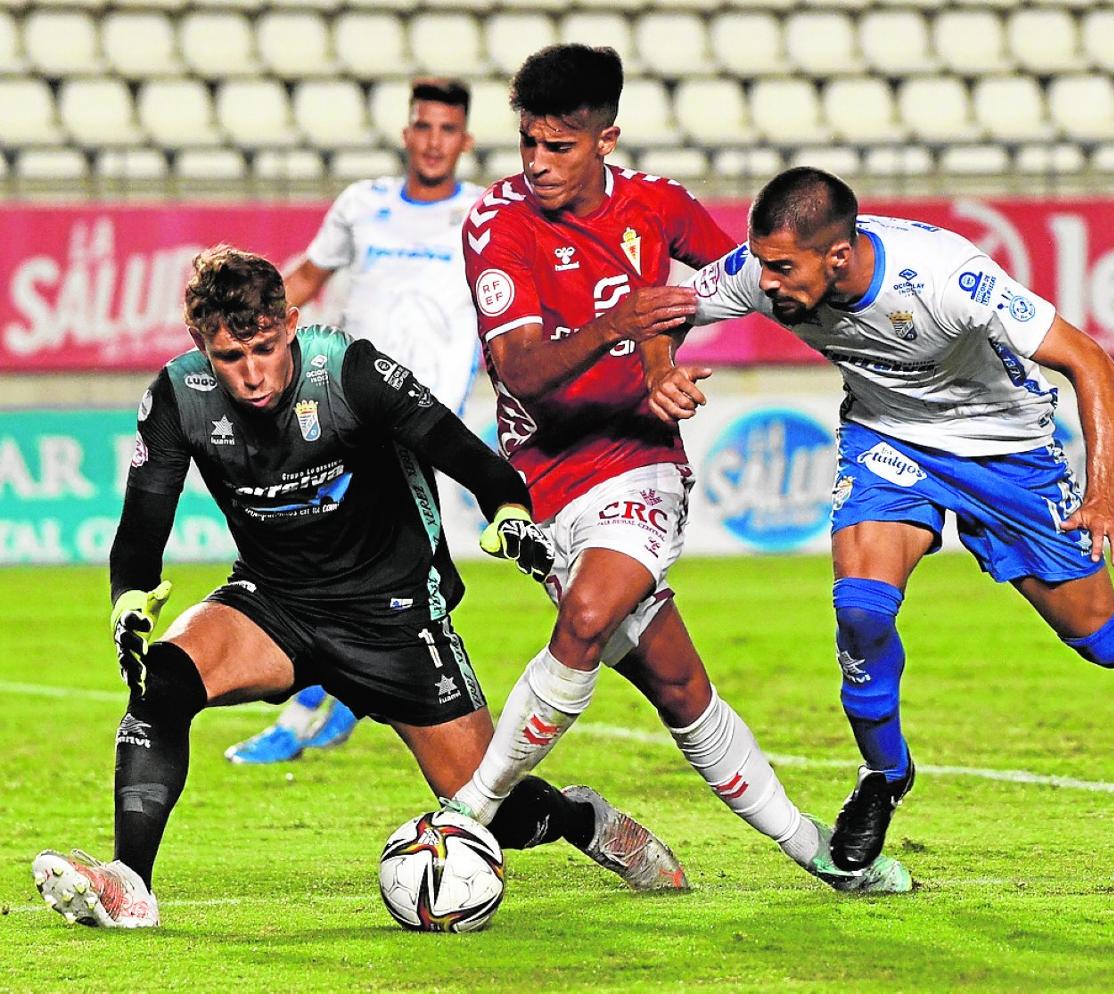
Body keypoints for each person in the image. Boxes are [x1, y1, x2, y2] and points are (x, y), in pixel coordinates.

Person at [31, 245, 688, 929]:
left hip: (393, 615)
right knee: (157, 686)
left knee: (501, 811)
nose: (253, 375)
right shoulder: (179, 396)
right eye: (231, 358)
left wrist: (509, 516)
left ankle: (583, 818)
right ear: (200, 345)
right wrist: (129, 602)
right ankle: (127, 884)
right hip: (272, 604)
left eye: (263, 347)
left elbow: (473, 459)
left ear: (289, 324)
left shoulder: (349, 371)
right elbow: (141, 528)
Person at [646, 167, 1114, 876]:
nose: (764, 284)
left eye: (782, 268)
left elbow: (1091, 361)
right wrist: (656, 370)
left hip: (1005, 453)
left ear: (836, 256)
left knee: (1097, 635)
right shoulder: (758, 270)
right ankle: (884, 775)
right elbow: (664, 307)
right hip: (889, 442)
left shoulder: (947, 276)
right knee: (860, 609)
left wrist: (1102, 496)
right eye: (762, 264)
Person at [449, 45, 911, 894]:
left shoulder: (659, 208)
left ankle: (463, 819)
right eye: (527, 144)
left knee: (587, 614)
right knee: (677, 684)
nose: (537, 165)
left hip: (638, 463)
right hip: (543, 481)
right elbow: (519, 370)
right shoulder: (496, 222)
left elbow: (758, 281)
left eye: (559, 147)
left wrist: (665, 362)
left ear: (606, 139)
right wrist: (619, 325)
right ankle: (818, 850)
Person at [227, 78, 483, 764]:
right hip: (341, 409)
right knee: (339, 561)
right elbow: (307, 277)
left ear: (465, 139)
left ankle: (335, 702)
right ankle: (331, 700)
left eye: (447, 129)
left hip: (422, 420)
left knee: (404, 572)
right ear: (407, 133)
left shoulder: (483, 216)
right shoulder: (361, 205)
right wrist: (251, 320)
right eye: (423, 127)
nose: (433, 141)